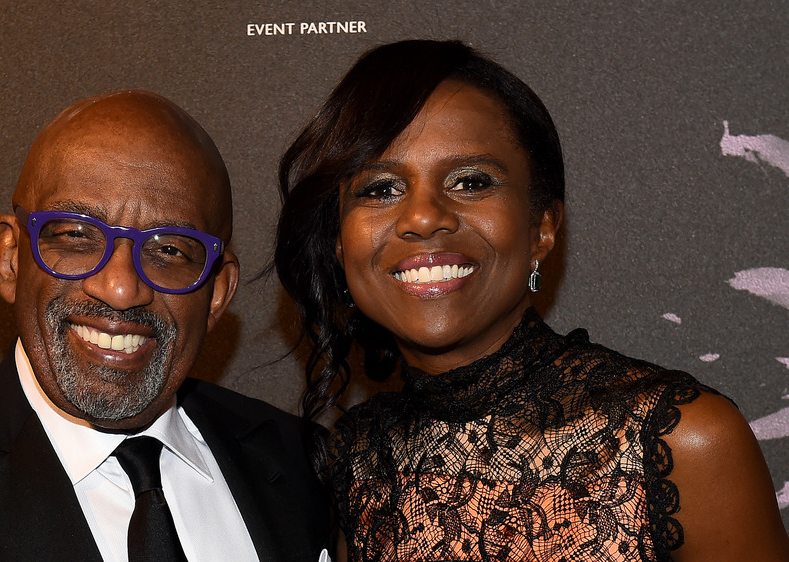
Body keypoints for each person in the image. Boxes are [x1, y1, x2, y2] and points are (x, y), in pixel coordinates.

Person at [273, 40, 789, 561]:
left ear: (542, 226)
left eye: (471, 181)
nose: (424, 216)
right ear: (340, 244)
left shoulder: (682, 439)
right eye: (380, 189)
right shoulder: (355, 460)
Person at [0, 90, 330, 561]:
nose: (120, 288)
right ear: (9, 260)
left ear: (216, 293)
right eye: (75, 236)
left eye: (169, 249)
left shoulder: (315, 469)